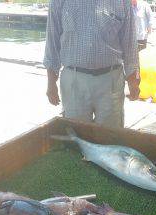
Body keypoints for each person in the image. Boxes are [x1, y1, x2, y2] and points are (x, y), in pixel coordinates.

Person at [44, 0, 140, 128]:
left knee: (110, 136)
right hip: (74, 81)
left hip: (110, 81)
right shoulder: (59, 2)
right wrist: (51, 84)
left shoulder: (122, 2)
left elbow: (130, 45)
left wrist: (133, 83)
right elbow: (52, 42)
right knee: (76, 135)